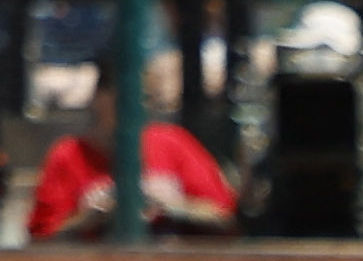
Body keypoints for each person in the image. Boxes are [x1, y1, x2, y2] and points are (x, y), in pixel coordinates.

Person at [25, 64, 234, 238]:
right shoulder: (69, 154)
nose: (132, 110)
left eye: (143, 100)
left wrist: (172, 207)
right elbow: (40, 239)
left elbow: (224, 219)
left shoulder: (174, 143)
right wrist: (92, 217)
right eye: (121, 100)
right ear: (99, 97)